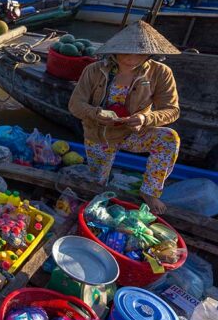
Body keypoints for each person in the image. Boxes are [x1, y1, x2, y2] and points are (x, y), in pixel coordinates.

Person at [68, 21, 181, 214]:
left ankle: (149, 192)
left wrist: (146, 119)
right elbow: (75, 105)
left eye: (139, 53)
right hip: (99, 134)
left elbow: (172, 110)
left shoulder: (160, 72)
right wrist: (96, 113)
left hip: (134, 133)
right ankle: (99, 182)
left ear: (150, 53)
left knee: (169, 138)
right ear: (114, 51)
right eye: (125, 53)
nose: (131, 59)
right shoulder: (94, 70)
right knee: (97, 184)